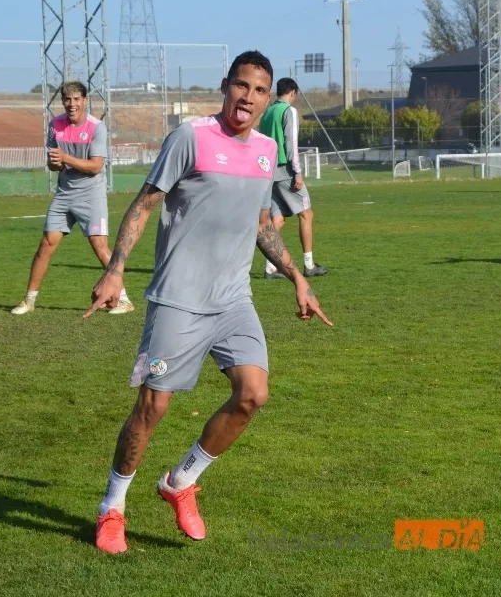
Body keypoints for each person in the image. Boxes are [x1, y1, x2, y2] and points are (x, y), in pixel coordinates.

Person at [85, 50, 332, 555]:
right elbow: (145, 203)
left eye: (259, 90)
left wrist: (295, 277)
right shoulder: (190, 138)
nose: (248, 97)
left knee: (253, 395)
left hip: (233, 299)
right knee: (152, 408)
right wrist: (114, 271)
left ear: (267, 99)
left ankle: (180, 481)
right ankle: (112, 506)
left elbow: (263, 222)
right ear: (226, 87)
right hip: (178, 297)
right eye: (241, 86)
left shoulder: (266, 151)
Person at [10, 81, 133, 315]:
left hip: (91, 195)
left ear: (85, 101)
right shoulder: (55, 125)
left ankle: (125, 300)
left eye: (77, 99)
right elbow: (54, 164)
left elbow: (96, 166)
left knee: (100, 246)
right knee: (46, 245)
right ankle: (29, 300)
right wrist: (55, 163)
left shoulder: (97, 127)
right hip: (64, 194)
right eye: (67, 99)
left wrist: (65, 157)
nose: (72, 104)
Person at [256, 78, 328, 279]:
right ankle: (309, 265)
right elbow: (291, 143)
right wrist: (297, 172)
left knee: (276, 220)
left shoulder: (267, 112)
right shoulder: (289, 111)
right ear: (293, 93)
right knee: (306, 214)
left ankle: (271, 268)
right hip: (285, 171)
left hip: (268, 172)